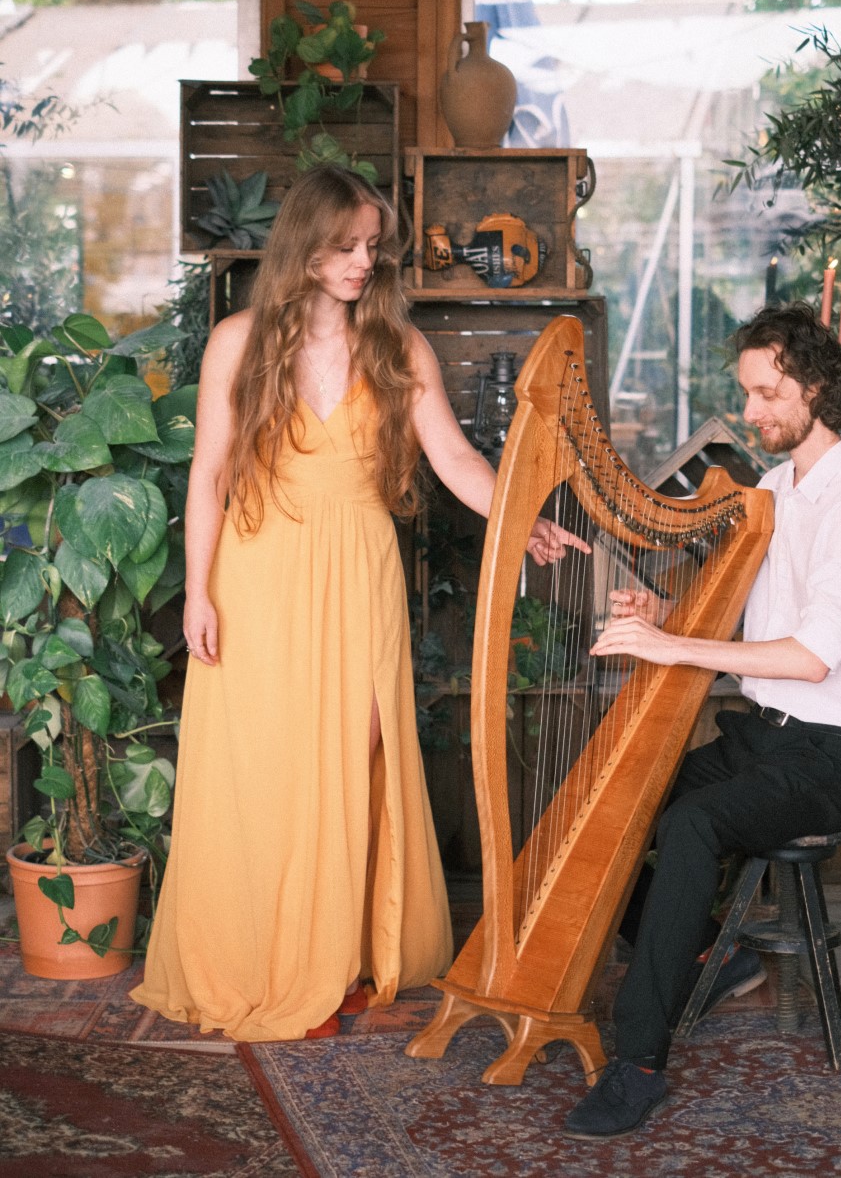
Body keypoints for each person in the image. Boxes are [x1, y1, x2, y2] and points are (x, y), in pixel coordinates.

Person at [133, 164, 581, 1042]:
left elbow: (454, 460)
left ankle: (334, 958)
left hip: (359, 566)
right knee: (264, 768)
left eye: (372, 246)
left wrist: (519, 519)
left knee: (352, 757)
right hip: (257, 570)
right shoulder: (238, 341)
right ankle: (262, 958)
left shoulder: (396, 347)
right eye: (345, 246)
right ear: (304, 245)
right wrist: (199, 592)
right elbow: (209, 476)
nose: (361, 262)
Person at [564, 301, 841, 1139]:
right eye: (749, 394)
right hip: (760, 740)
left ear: (816, 389)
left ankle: (639, 1065)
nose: (750, 413)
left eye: (766, 394)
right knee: (612, 805)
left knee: (688, 824)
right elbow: (747, 622)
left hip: (828, 761)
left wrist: (671, 649)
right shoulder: (772, 490)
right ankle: (705, 955)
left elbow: (810, 658)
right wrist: (660, 611)